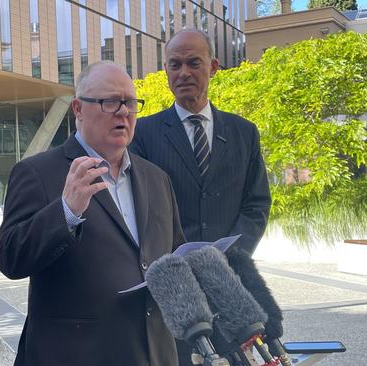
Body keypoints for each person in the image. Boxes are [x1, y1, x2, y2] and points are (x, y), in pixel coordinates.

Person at [0, 61, 186, 366]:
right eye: (110, 102)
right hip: (76, 354)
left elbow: (174, 252)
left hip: (151, 352)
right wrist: (66, 212)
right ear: (78, 109)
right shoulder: (37, 172)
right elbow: (11, 259)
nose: (124, 112)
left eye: (130, 103)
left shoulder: (156, 178)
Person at [128, 29, 271, 365]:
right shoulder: (143, 135)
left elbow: (257, 205)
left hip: (230, 286)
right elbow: (136, 208)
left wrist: (225, 259)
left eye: (194, 62)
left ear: (214, 67)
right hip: (173, 296)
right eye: (174, 65)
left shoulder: (244, 132)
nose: (183, 73)